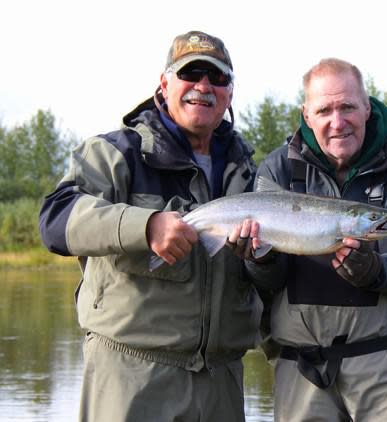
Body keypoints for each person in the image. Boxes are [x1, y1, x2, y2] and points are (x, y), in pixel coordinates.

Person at [38, 30, 262, 422]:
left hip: (222, 381)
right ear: (164, 83)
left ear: (230, 92)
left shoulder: (250, 173)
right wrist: (145, 226)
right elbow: (55, 220)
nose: (204, 86)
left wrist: (261, 258)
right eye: (191, 73)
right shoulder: (114, 153)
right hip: (131, 378)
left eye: (218, 78)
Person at [231, 58, 387, 422]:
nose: (337, 121)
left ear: (366, 107)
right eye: (324, 109)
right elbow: (268, 284)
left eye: (347, 106)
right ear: (306, 114)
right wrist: (258, 259)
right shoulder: (276, 170)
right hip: (302, 369)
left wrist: (377, 270)